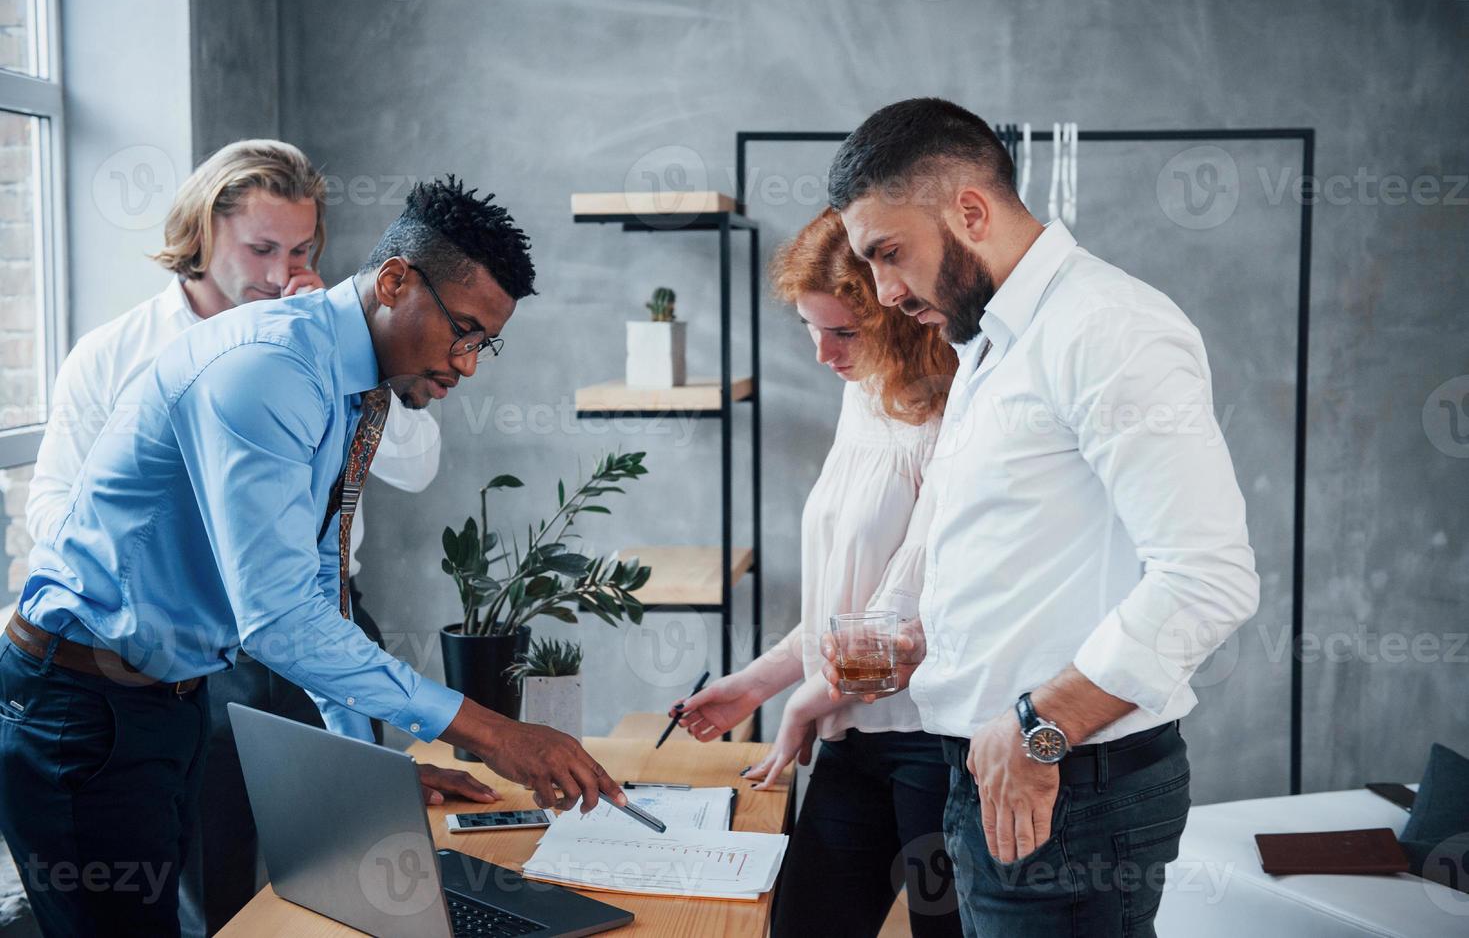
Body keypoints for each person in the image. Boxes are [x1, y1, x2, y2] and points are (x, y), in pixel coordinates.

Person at [0, 176, 626, 936]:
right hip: (79, 704)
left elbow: (318, 580)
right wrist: (494, 732)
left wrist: (370, 771)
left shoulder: (351, 382)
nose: (466, 364)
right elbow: (276, 619)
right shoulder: (268, 370)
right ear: (395, 281)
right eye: (462, 330)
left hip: (164, 697)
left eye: (481, 343)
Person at [817, 98, 1260, 938]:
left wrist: (1038, 730)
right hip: (997, 773)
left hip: (1070, 786)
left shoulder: (1107, 328)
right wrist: (931, 644)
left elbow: (1208, 580)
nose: (882, 291)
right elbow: (1029, 553)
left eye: (888, 254)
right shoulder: (990, 345)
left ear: (970, 212)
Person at [20, 138, 443, 934]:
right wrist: (192, 551)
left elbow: (415, 469)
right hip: (189, 656)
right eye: (260, 248)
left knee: (363, 861)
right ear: (203, 235)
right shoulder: (115, 353)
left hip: (327, 620)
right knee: (207, 872)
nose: (282, 270)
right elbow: (55, 513)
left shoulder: (330, 340)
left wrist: (343, 352)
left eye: (301, 249)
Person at [669, 208, 961, 938]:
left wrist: (802, 705)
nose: (823, 355)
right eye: (811, 329)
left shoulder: (959, 420)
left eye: (844, 333)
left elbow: (901, 622)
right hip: (848, 732)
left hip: (935, 742)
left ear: (898, 314)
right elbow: (844, 605)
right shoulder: (862, 398)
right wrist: (757, 685)